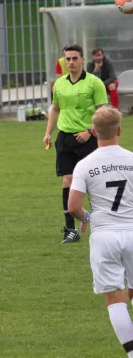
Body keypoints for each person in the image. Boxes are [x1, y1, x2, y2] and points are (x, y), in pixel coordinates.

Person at [68, 107, 133, 357]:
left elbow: (73, 206)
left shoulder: (85, 165)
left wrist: (86, 217)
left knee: (115, 299)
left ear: (94, 132)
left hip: (104, 235)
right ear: (119, 130)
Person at [43, 44, 108, 244]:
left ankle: (101, 222)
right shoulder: (59, 84)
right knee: (67, 181)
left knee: (94, 182)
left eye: (74, 58)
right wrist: (48, 132)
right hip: (65, 139)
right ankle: (70, 230)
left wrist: (90, 131)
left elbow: (103, 110)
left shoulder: (94, 83)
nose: (70, 62)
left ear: (82, 60)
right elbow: (54, 108)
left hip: (88, 139)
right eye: (67, 59)